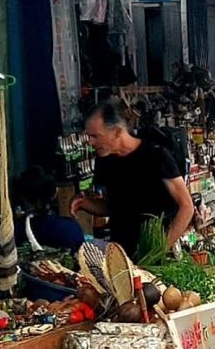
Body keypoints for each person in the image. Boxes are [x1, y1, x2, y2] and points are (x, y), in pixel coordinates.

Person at [70, 100, 195, 253]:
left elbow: (187, 206)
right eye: (88, 136)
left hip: (155, 254)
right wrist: (85, 203)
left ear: (117, 132)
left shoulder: (156, 156)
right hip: (121, 254)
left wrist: (160, 249)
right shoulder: (105, 161)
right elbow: (113, 207)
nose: (90, 142)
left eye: (95, 136)